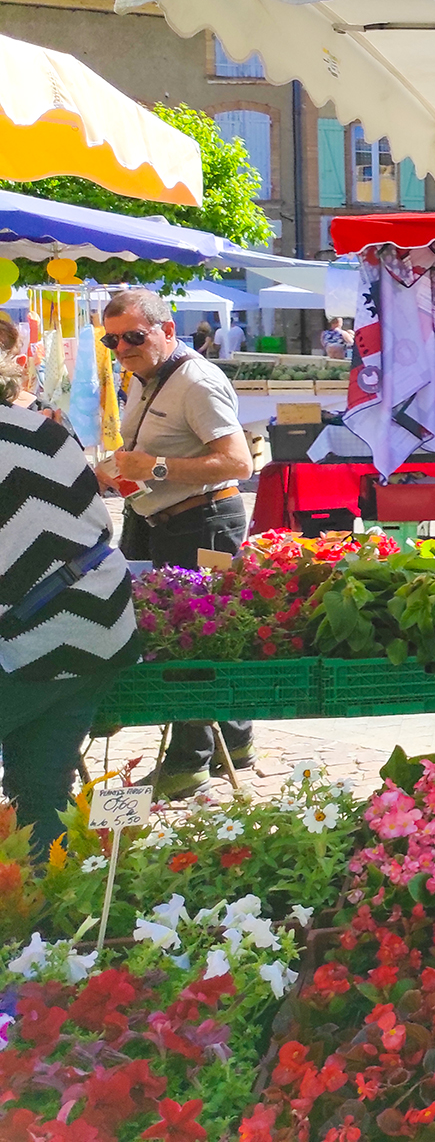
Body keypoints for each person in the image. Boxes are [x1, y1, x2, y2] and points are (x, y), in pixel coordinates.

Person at [104, 290, 256, 797]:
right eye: (112, 339)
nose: (122, 347)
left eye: (133, 336)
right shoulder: (146, 378)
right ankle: (234, 741)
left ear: (167, 330)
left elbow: (239, 463)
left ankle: (188, 762)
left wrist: (156, 468)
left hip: (206, 524)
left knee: (190, 640)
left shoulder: (196, 380)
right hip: (165, 522)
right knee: (194, 634)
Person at [0, 349, 140, 859]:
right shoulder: (44, 430)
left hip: (34, 636)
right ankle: (47, 916)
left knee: (37, 780)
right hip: (99, 623)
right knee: (40, 783)